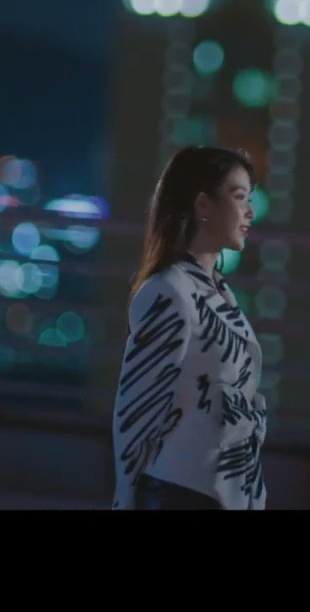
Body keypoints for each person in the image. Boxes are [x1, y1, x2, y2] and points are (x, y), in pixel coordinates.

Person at [111, 145, 267, 510]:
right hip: (181, 492)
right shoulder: (170, 290)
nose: (250, 211)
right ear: (203, 206)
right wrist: (125, 496)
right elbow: (137, 408)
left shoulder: (217, 292)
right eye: (239, 197)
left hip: (219, 492)